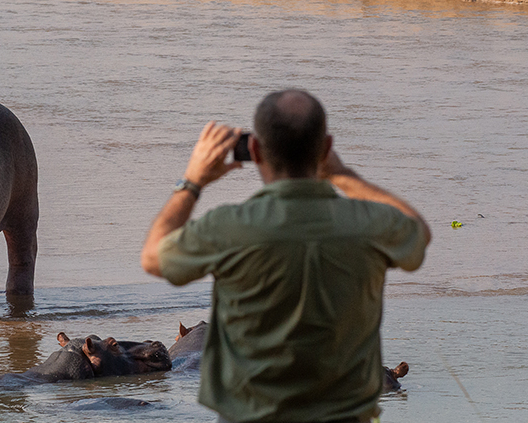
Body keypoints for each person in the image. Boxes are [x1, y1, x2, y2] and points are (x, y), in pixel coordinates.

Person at [140, 89, 431, 423]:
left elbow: (153, 257)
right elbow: (418, 233)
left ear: (253, 150)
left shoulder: (228, 226)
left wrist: (192, 181)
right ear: (325, 148)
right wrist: (341, 174)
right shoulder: (367, 224)